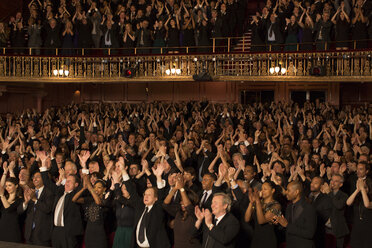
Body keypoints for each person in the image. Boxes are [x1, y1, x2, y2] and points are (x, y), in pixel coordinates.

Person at [121, 162, 171, 248]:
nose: (146, 196)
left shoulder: (157, 209)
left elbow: (161, 194)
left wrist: (158, 177)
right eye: (145, 194)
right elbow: (132, 191)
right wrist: (123, 171)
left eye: (149, 195)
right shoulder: (140, 206)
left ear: (156, 198)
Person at [162, 173, 201, 248]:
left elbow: (188, 207)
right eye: (181, 201)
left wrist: (181, 188)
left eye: (184, 200)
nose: (181, 203)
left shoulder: (195, 213)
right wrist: (175, 188)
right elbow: (165, 204)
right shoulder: (178, 212)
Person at [275, 181, 317, 248]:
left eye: (288, 190)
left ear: (296, 192)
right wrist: (279, 222)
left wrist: (287, 225)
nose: (286, 192)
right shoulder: (289, 207)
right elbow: (287, 227)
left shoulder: (308, 208)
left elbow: (310, 233)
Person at [72, 174, 109, 248]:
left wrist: (90, 187)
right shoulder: (90, 200)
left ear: (104, 189)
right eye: (95, 187)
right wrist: (83, 188)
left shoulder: (106, 200)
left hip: (99, 234)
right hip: (89, 233)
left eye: (99, 187)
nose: (96, 189)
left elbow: (98, 202)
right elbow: (74, 199)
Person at [18, 172, 54, 246]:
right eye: (33, 177)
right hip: (29, 234)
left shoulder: (49, 192)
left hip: (42, 235)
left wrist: (35, 199)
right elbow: (19, 211)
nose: (34, 179)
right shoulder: (29, 191)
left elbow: (47, 209)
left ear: (44, 178)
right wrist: (26, 202)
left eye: (37, 177)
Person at [245, 181, 281, 248]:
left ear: (272, 190)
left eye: (265, 189)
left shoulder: (276, 205)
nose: (262, 191)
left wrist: (258, 201)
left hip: (268, 240)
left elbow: (261, 221)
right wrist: (251, 202)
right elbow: (247, 219)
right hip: (256, 238)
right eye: (262, 189)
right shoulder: (259, 202)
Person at [51, 174, 84, 248]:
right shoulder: (60, 195)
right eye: (66, 181)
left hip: (68, 233)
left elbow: (83, 187)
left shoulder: (75, 195)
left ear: (76, 185)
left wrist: (84, 168)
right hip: (56, 231)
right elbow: (50, 186)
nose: (67, 183)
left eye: (69, 181)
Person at [321, 174, 349, 248]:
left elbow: (338, 205)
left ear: (341, 184)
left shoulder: (344, 196)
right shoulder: (325, 194)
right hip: (325, 227)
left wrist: (329, 193)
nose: (332, 182)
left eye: (336, 181)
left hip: (337, 228)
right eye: (332, 180)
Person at [346, 177, 372, 248]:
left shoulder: (370, 200)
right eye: (362, 187)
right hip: (357, 229)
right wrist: (357, 190)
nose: (362, 189)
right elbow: (348, 202)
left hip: (368, 231)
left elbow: (367, 205)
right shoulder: (358, 198)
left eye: (365, 187)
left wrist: (362, 189)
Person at [0, 176, 23, 243]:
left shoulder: (20, 199)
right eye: (6, 186)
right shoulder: (4, 198)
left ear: (16, 186)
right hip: (2, 229)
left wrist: (2, 195)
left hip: (13, 232)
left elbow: (9, 209)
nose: (7, 188)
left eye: (10, 185)